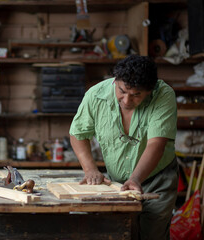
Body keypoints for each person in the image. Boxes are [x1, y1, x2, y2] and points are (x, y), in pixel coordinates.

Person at [69, 55, 178, 240]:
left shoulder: (163, 95)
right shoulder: (95, 95)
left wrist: (135, 178)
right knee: (119, 232)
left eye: (136, 95)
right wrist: (90, 170)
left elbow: (155, 144)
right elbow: (78, 134)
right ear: (115, 80)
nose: (127, 101)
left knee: (152, 234)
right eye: (122, 91)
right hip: (116, 184)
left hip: (157, 180)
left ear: (150, 91)